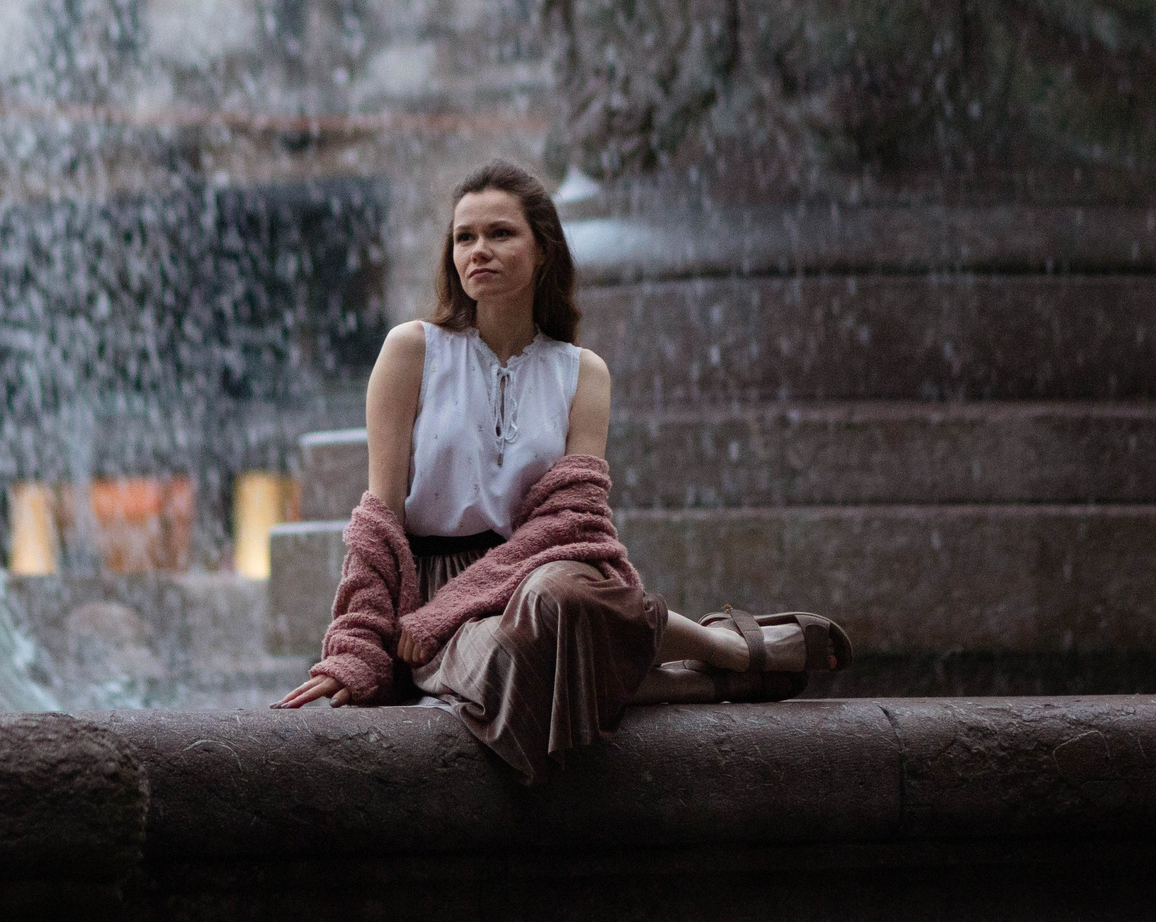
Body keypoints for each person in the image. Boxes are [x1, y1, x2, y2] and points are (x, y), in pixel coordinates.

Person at [274, 159, 849, 783]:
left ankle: (726, 648)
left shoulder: (583, 372)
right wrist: (356, 645)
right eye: (464, 237)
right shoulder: (411, 350)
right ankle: (715, 679)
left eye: (500, 234)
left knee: (564, 592)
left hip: (546, 570)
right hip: (438, 599)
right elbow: (379, 518)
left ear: (544, 249)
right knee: (507, 662)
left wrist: (475, 600)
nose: (478, 251)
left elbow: (575, 521)